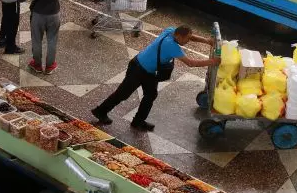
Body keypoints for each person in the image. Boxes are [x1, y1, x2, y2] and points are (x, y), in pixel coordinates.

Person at [91, 26, 219, 129]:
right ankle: (100, 111)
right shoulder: (172, 46)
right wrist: (212, 62)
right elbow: (191, 63)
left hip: (149, 72)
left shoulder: (171, 30)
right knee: (123, 94)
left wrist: (207, 41)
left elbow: (191, 37)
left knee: (151, 95)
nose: (187, 42)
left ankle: (138, 121)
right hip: (138, 68)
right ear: (179, 36)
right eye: (186, 39)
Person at [15, 0, 64, 75]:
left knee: (37, 40)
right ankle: (50, 65)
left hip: (38, 14)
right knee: (52, 40)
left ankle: (37, 64)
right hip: (54, 14)